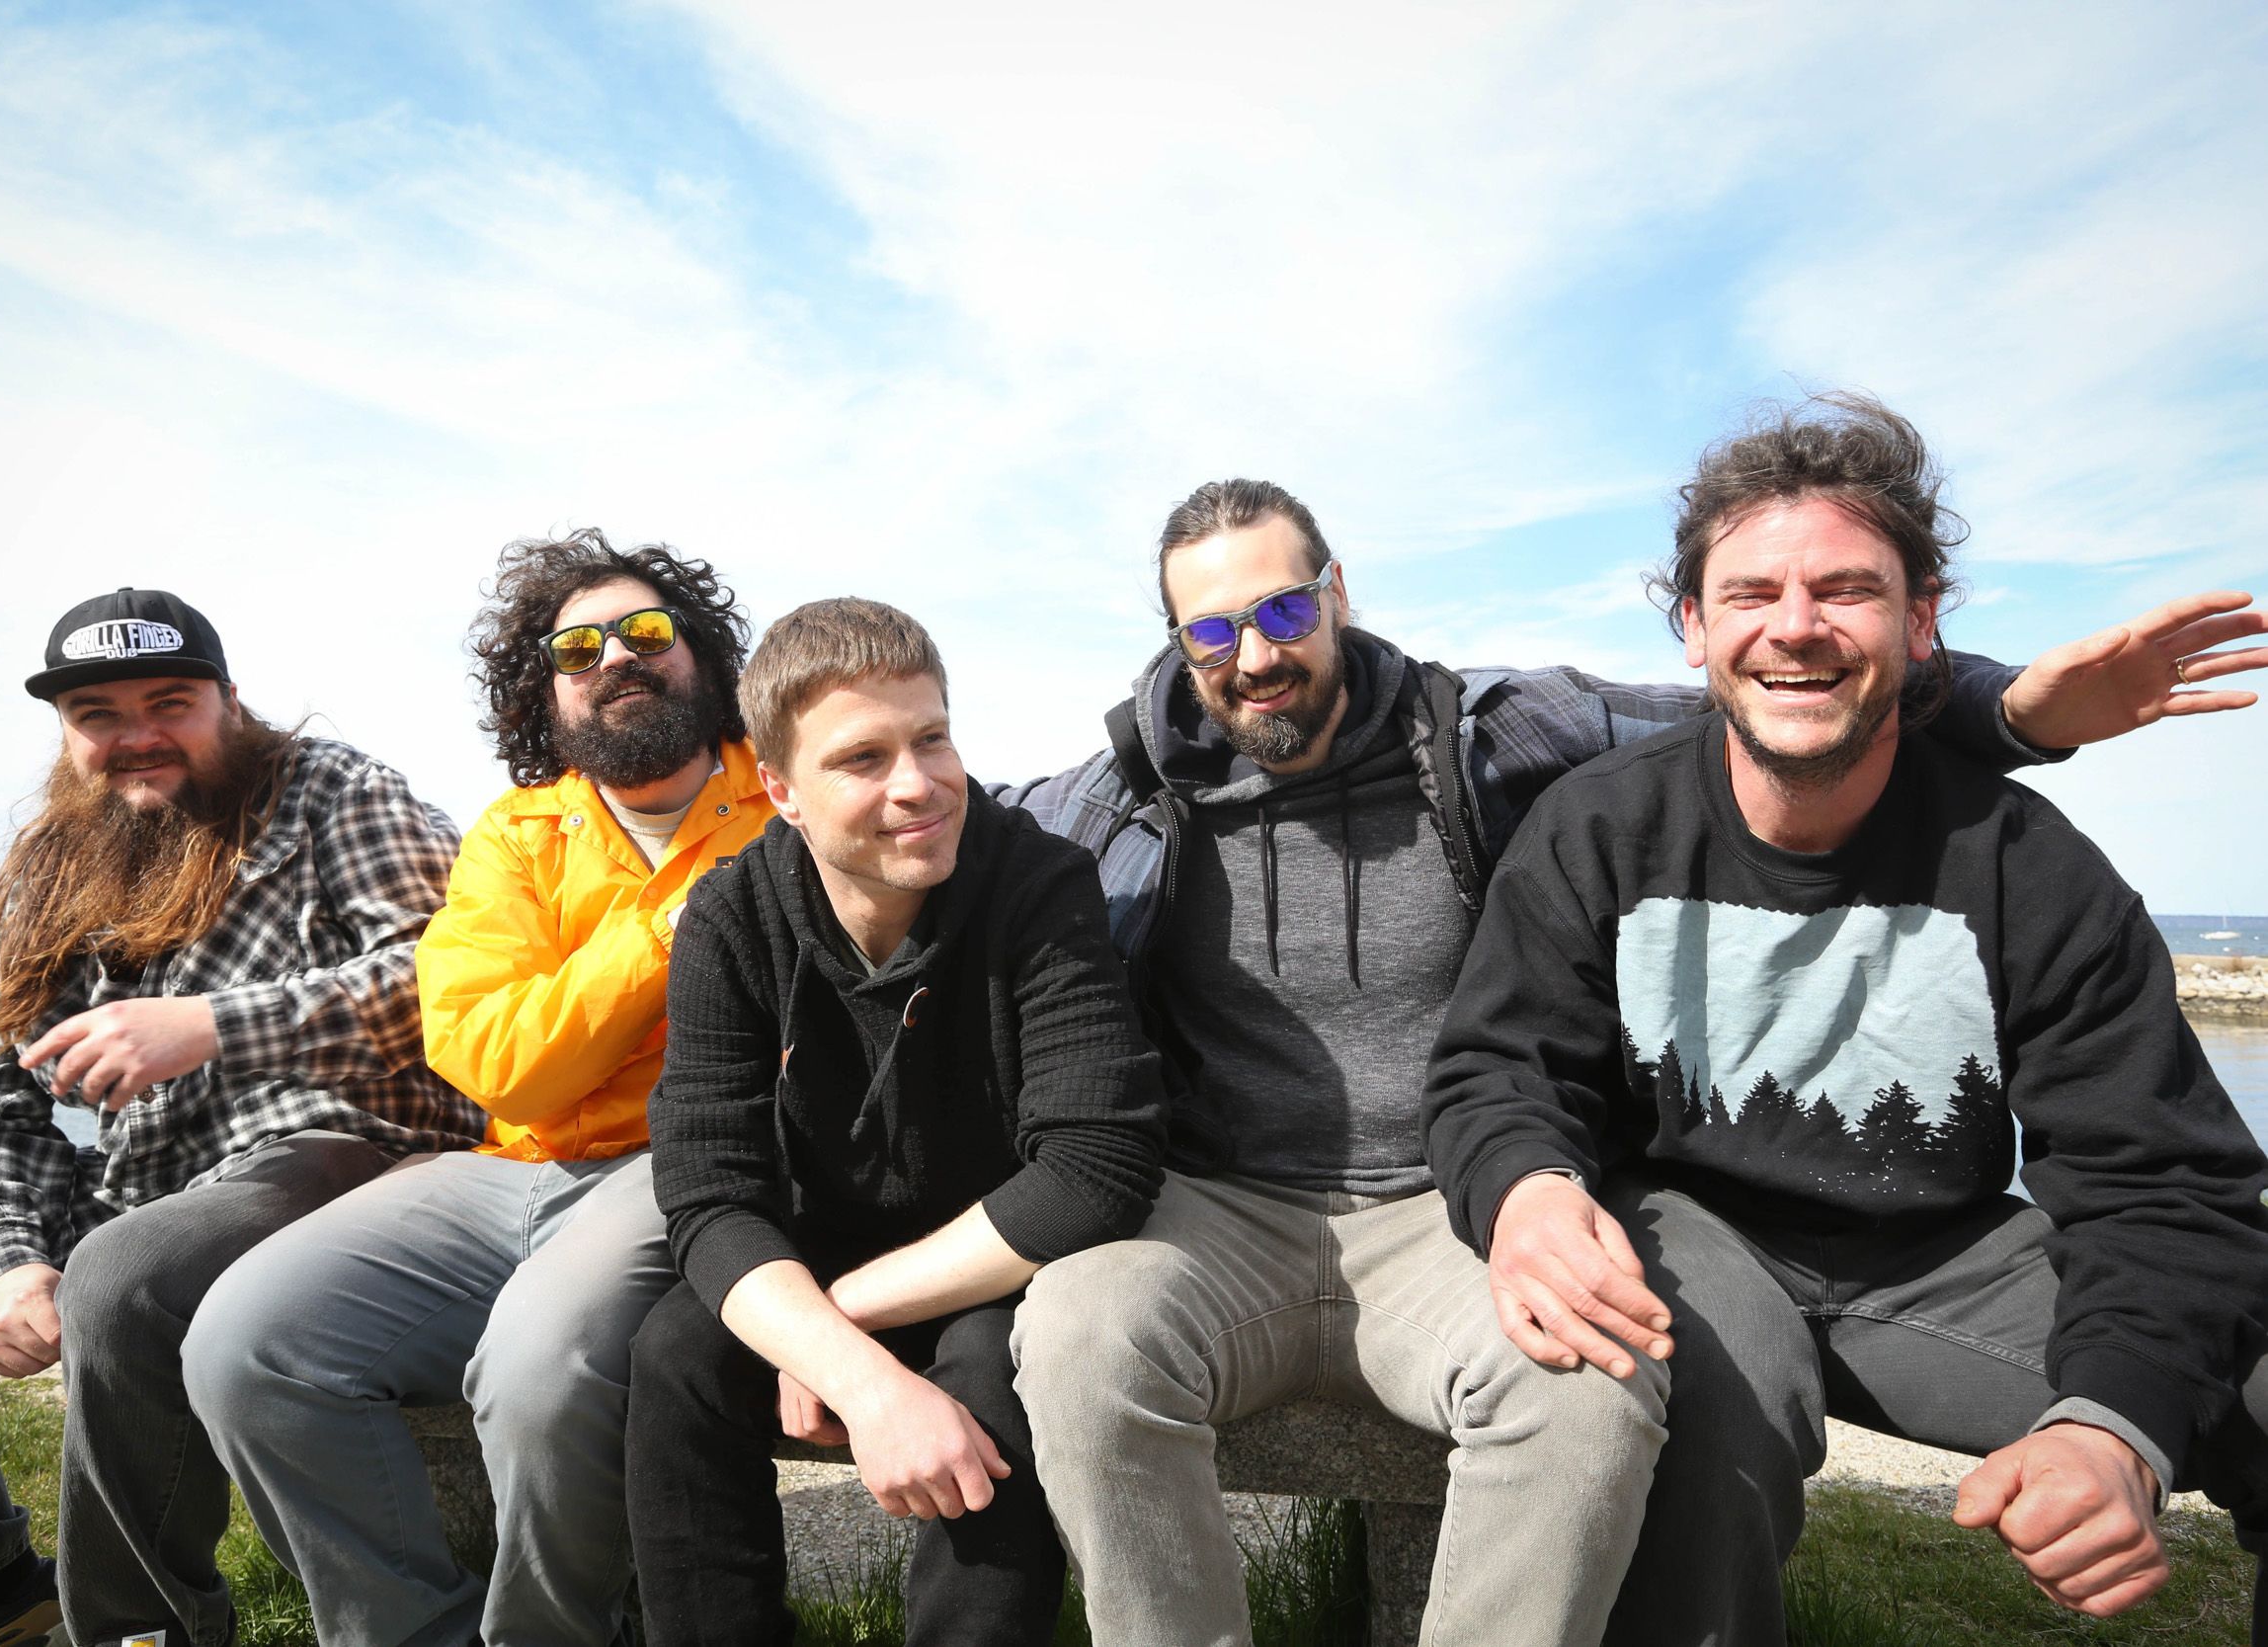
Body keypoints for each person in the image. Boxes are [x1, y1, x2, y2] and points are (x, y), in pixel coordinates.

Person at [1002, 474, 2268, 1645]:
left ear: (1336, 592)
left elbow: (1779, 687)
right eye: (1211, 632)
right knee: (1078, 1334)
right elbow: (944, 821)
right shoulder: (1116, 796)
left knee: (1589, 1375)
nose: (1255, 653)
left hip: (1448, 1215)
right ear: (1178, 646)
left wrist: (2006, 708)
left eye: (1281, 608)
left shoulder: (1491, 736)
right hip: (1256, 1206)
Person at [1421, 391, 2268, 1646]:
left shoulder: (2028, 866)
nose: (1796, 628)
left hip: (1943, 1257)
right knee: (1703, 1389)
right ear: (1695, 627)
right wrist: (1527, 1185)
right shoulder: (1599, 827)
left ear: (1920, 622)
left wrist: (2111, 1425)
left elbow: (2162, 1182)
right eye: (1752, 593)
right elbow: (1498, 1066)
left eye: (1847, 590)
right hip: (1689, 1230)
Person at [0, 587, 481, 1647]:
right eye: (100, 713)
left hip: (351, 1161)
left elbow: (453, 969)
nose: (138, 734)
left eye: (170, 700)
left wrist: (214, 1023)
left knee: (122, 1271)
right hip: (153, 1185)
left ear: (230, 701)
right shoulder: (46, 864)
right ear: (67, 731)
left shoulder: (337, 793)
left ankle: (139, 1627)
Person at [186, 532, 772, 1647]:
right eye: (577, 645)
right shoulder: (513, 833)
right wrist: (668, 933)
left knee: (540, 1370)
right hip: (512, 1165)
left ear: (701, 656)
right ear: (544, 687)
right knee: (245, 1341)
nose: (616, 657)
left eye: (647, 632)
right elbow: (496, 1059)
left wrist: (590, 986)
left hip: (676, 1163)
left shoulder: (785, 797)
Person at [626, 598, 1167, 1647]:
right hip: (820, 1239)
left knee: (991, 1385)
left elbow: (1096, 1165)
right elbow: (707, 1195)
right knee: (675, 1354)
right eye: (862, 758)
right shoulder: (730, 917)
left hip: (994, 1250)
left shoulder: (1038, 881)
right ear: (779, 789)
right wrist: (860, 1374)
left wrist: (844, 1320)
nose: (916, 783)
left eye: (932, 737)